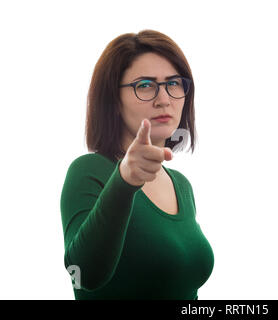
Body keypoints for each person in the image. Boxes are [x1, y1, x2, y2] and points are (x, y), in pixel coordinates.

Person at [59, 29, 214, 300]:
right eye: (145, 85)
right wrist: (123, 181)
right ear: (113, 101)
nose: (164, 98)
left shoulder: (181, 186)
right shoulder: (90, 171)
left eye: (174, 83)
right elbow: (83, 274)